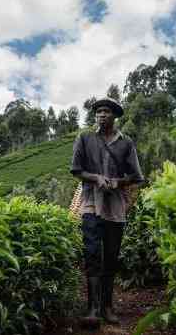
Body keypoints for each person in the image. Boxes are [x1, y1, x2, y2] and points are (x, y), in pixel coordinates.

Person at [69, 97, 144, 327]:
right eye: (98, 111)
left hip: (115, 207)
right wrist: (96, 177)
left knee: (111, 256)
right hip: (91, 204)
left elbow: (135, 176)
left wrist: (117, 182)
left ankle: (107, 307)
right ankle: (92, 308)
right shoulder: (85, 138)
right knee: (92, 254)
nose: (101, 115)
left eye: (106, 112)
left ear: (115, 116)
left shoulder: (126, 143)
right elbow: (76, 169)